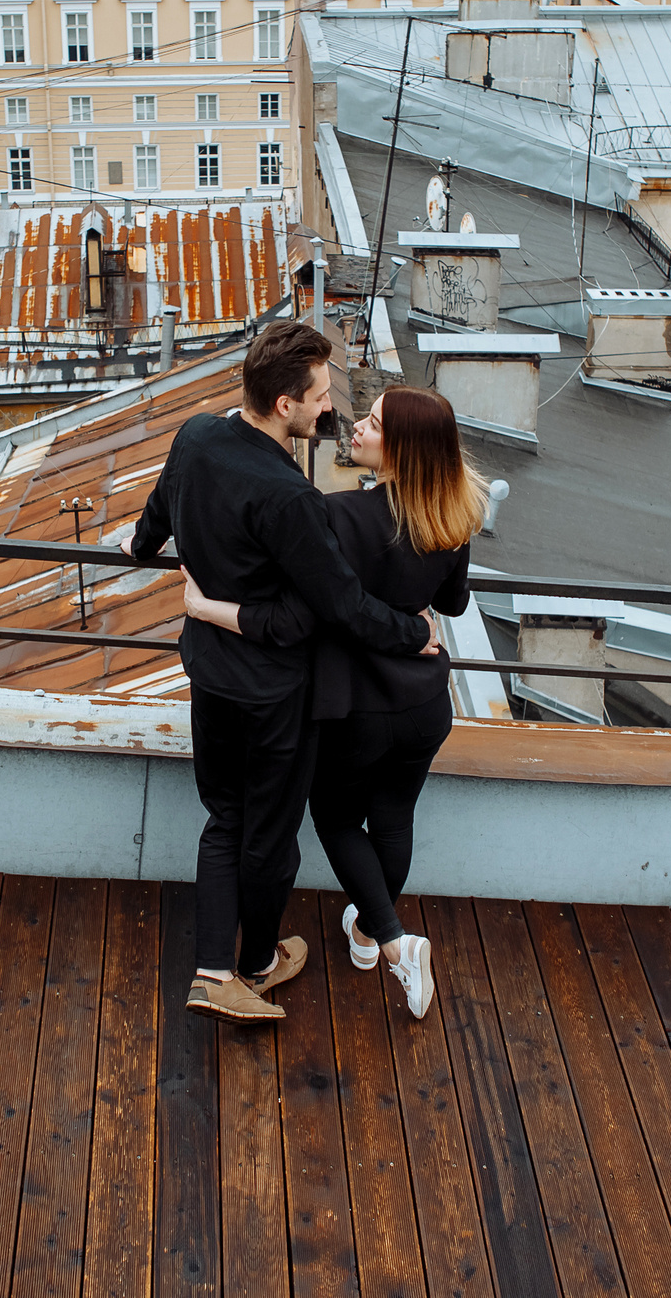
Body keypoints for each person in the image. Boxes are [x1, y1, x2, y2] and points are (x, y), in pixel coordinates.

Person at [124, 323, 438, 1024]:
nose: (330, 409)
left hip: (209, 672)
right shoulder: (290, 496)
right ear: (284, 403)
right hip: (272, 695)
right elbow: (334, 609)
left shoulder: (197, 434)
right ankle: (255, 963)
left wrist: (142, 549)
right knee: (269, 836)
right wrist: (413, 631)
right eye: (320, 396)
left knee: (224, 817)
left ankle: (215, 968)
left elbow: (156, 518)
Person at [182, 385, 484, 1019]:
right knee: (395, 816)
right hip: (426, 703)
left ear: (399, 448)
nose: (356, 427)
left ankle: (397, 942)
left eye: (372, 424)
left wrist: (207, 604)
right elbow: (452, 605)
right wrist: (413, 608)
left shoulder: (339, 516)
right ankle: (368, 937)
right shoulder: (454, 514)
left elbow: (311, 609)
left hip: (358, 705)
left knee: (336, 818)